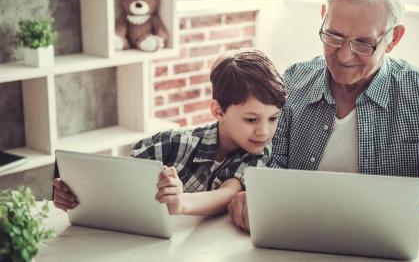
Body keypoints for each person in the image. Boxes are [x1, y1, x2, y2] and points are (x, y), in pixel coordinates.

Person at [228, 0, 419, 231]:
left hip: (384, 239)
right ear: (323, 18)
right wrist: (252, 192)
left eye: (364, 43)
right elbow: (266, 162)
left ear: (393, 38)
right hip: (298, 233)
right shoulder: (293, 82)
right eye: (334, 36)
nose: (344, 56)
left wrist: (387, 196)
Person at [52, 49, 287, 216]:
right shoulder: (167, 145)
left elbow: (228, 193)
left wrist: (181, 203)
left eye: (273, 118)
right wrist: (75, 197)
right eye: (251, 119)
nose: (264, 131)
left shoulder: (259, 152)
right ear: (218, 111)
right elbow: (117, 191)